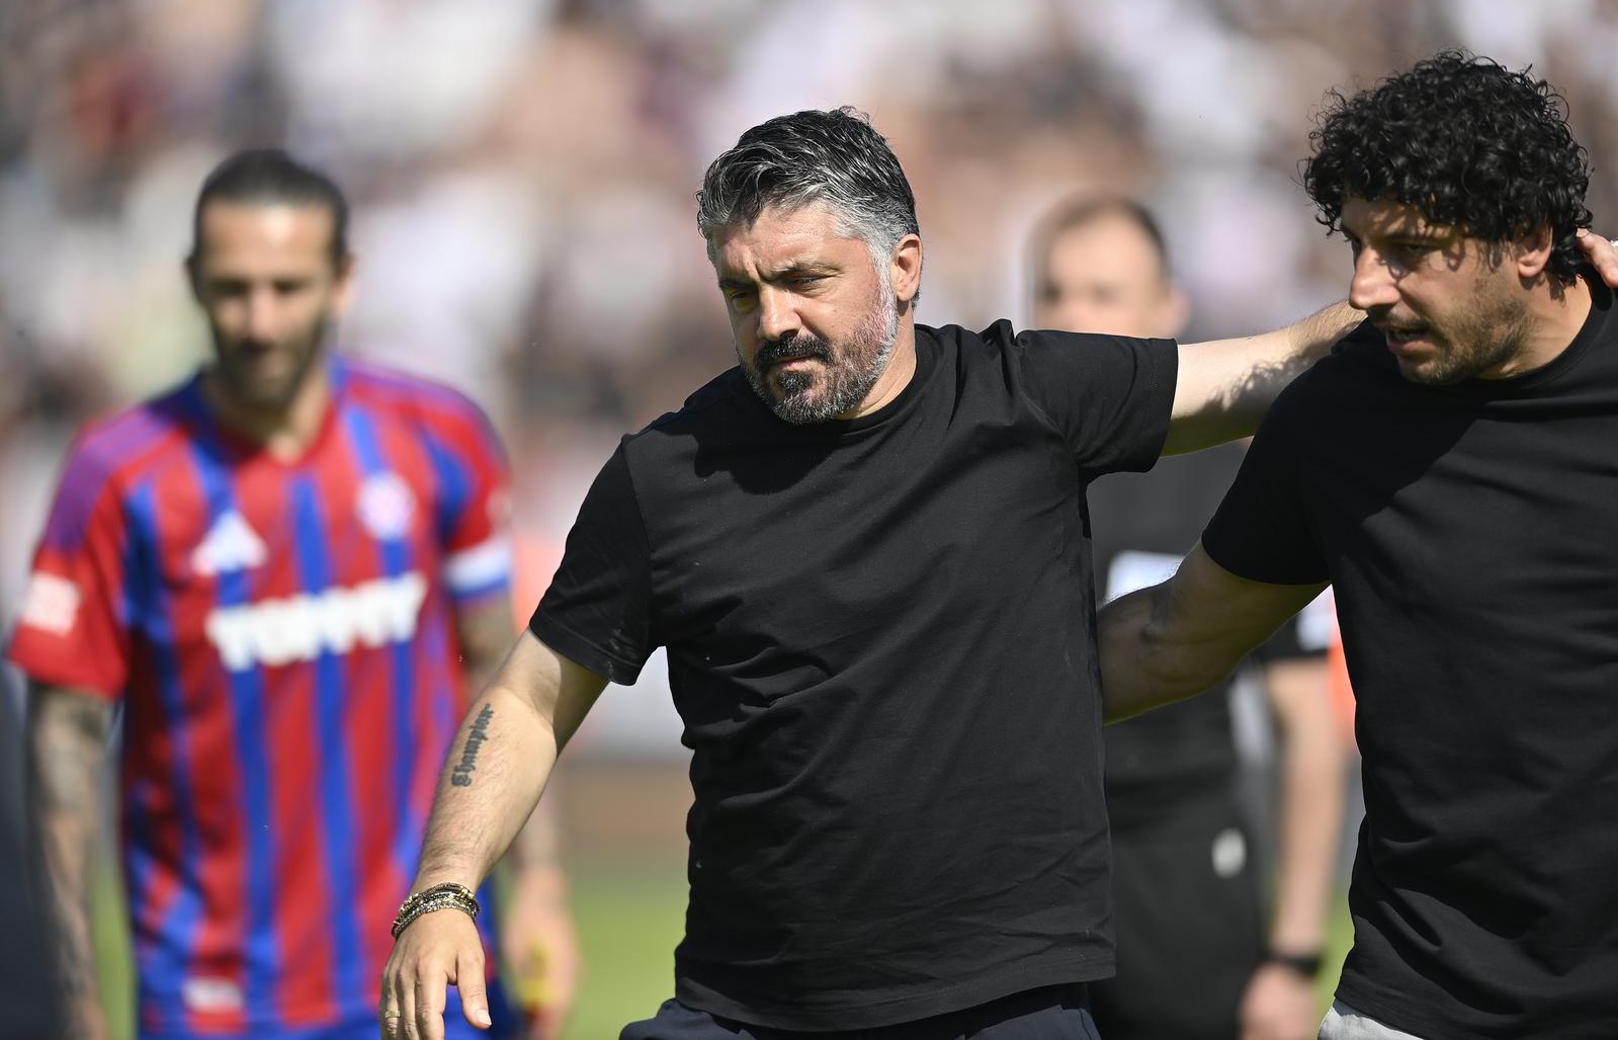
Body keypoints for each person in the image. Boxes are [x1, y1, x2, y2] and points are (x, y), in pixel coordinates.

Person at [379, 106, 1613, 1040]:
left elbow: (1281, 364)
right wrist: (442, 893)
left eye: (806, 280)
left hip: (1006, 1007)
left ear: (903, 264)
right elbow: (528, 697)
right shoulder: (665, 475)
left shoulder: (1029, 398)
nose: (774, 319)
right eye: (741, 291)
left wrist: (1555, 270)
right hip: (744, 1005)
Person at [1097, 51, 1618, 1040]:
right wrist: (946, 690)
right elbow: (1171, 638)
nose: (1365, 288)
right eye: (1358, 244)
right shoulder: (1339, 415)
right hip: (1416, 1002)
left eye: (1408, 250)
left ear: (1528, 240)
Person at [8, 149, 576, 1039]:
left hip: (430, 963)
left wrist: (538, 886)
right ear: (193, 282)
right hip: (212, 1000)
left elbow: (499, 676)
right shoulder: (118, 477)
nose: (261, 320)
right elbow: (64, 742)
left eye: (287, 287)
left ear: (342, 280)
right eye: (234, 289)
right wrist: (74, 996)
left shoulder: (439, 438)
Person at [1031, 196, 1343, 1040]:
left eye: (1103, 293)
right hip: (1027, 882)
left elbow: (1309, 730)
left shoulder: (1234, 481)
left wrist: (1294, 957)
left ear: (1170, 308)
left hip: (1183, 878)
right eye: (1054, 291)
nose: (1073, 316)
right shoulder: (997, 484)